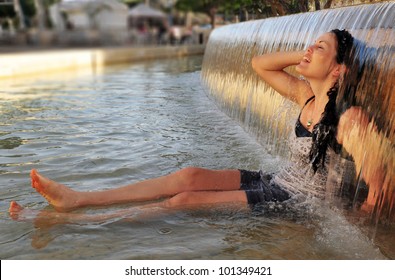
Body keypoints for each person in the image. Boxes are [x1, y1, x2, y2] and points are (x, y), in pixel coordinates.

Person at [9, 29, 387, 223]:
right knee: (189, 176)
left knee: (186, 201)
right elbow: (260, 64)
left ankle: (80, 223)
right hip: (281, 180)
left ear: (339, 69)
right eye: (311, 44)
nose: (308, 50)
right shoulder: (306, 96)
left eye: (320, 49)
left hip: (301, 202)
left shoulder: (349, 120)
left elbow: (380, 190)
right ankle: (79, 199)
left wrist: (345, 225)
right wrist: (307, 53)